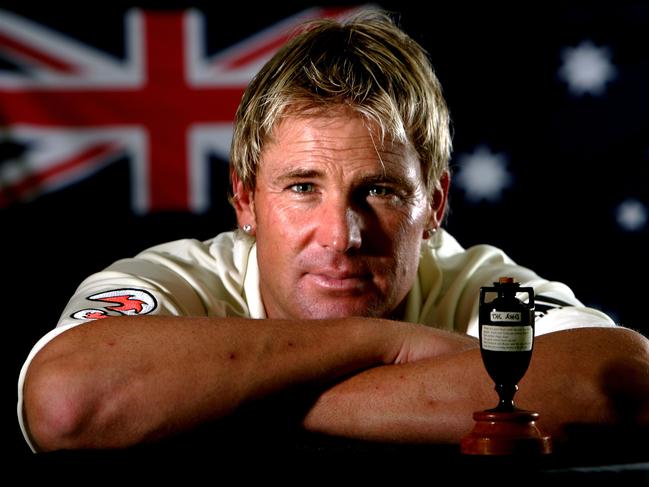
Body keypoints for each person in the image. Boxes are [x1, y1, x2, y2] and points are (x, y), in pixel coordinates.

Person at [18, 8, 649, 454]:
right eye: (301, 187)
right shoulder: (180, 279)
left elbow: (619, 383)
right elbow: (67, 403)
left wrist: (225, 402)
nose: (341, 235)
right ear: (245, 200)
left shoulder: (480, 287)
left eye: (378, 190)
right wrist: (383, 344)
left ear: (434, 204)